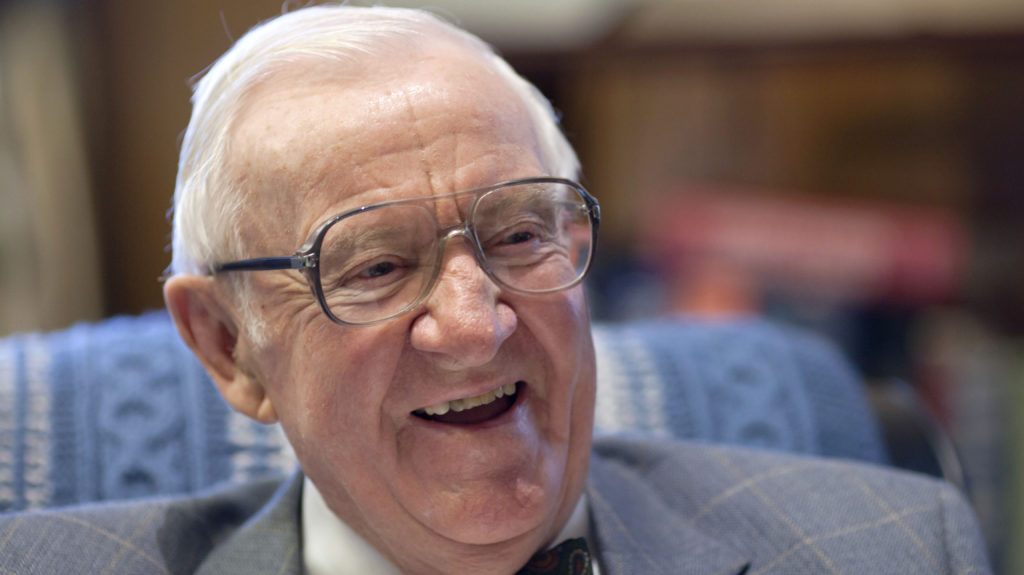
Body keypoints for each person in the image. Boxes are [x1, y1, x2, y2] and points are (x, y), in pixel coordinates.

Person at [0, 5, 992, 574]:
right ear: (226, 342)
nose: (475, 326)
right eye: (378, 265)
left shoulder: (896, 545)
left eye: (519, 233)